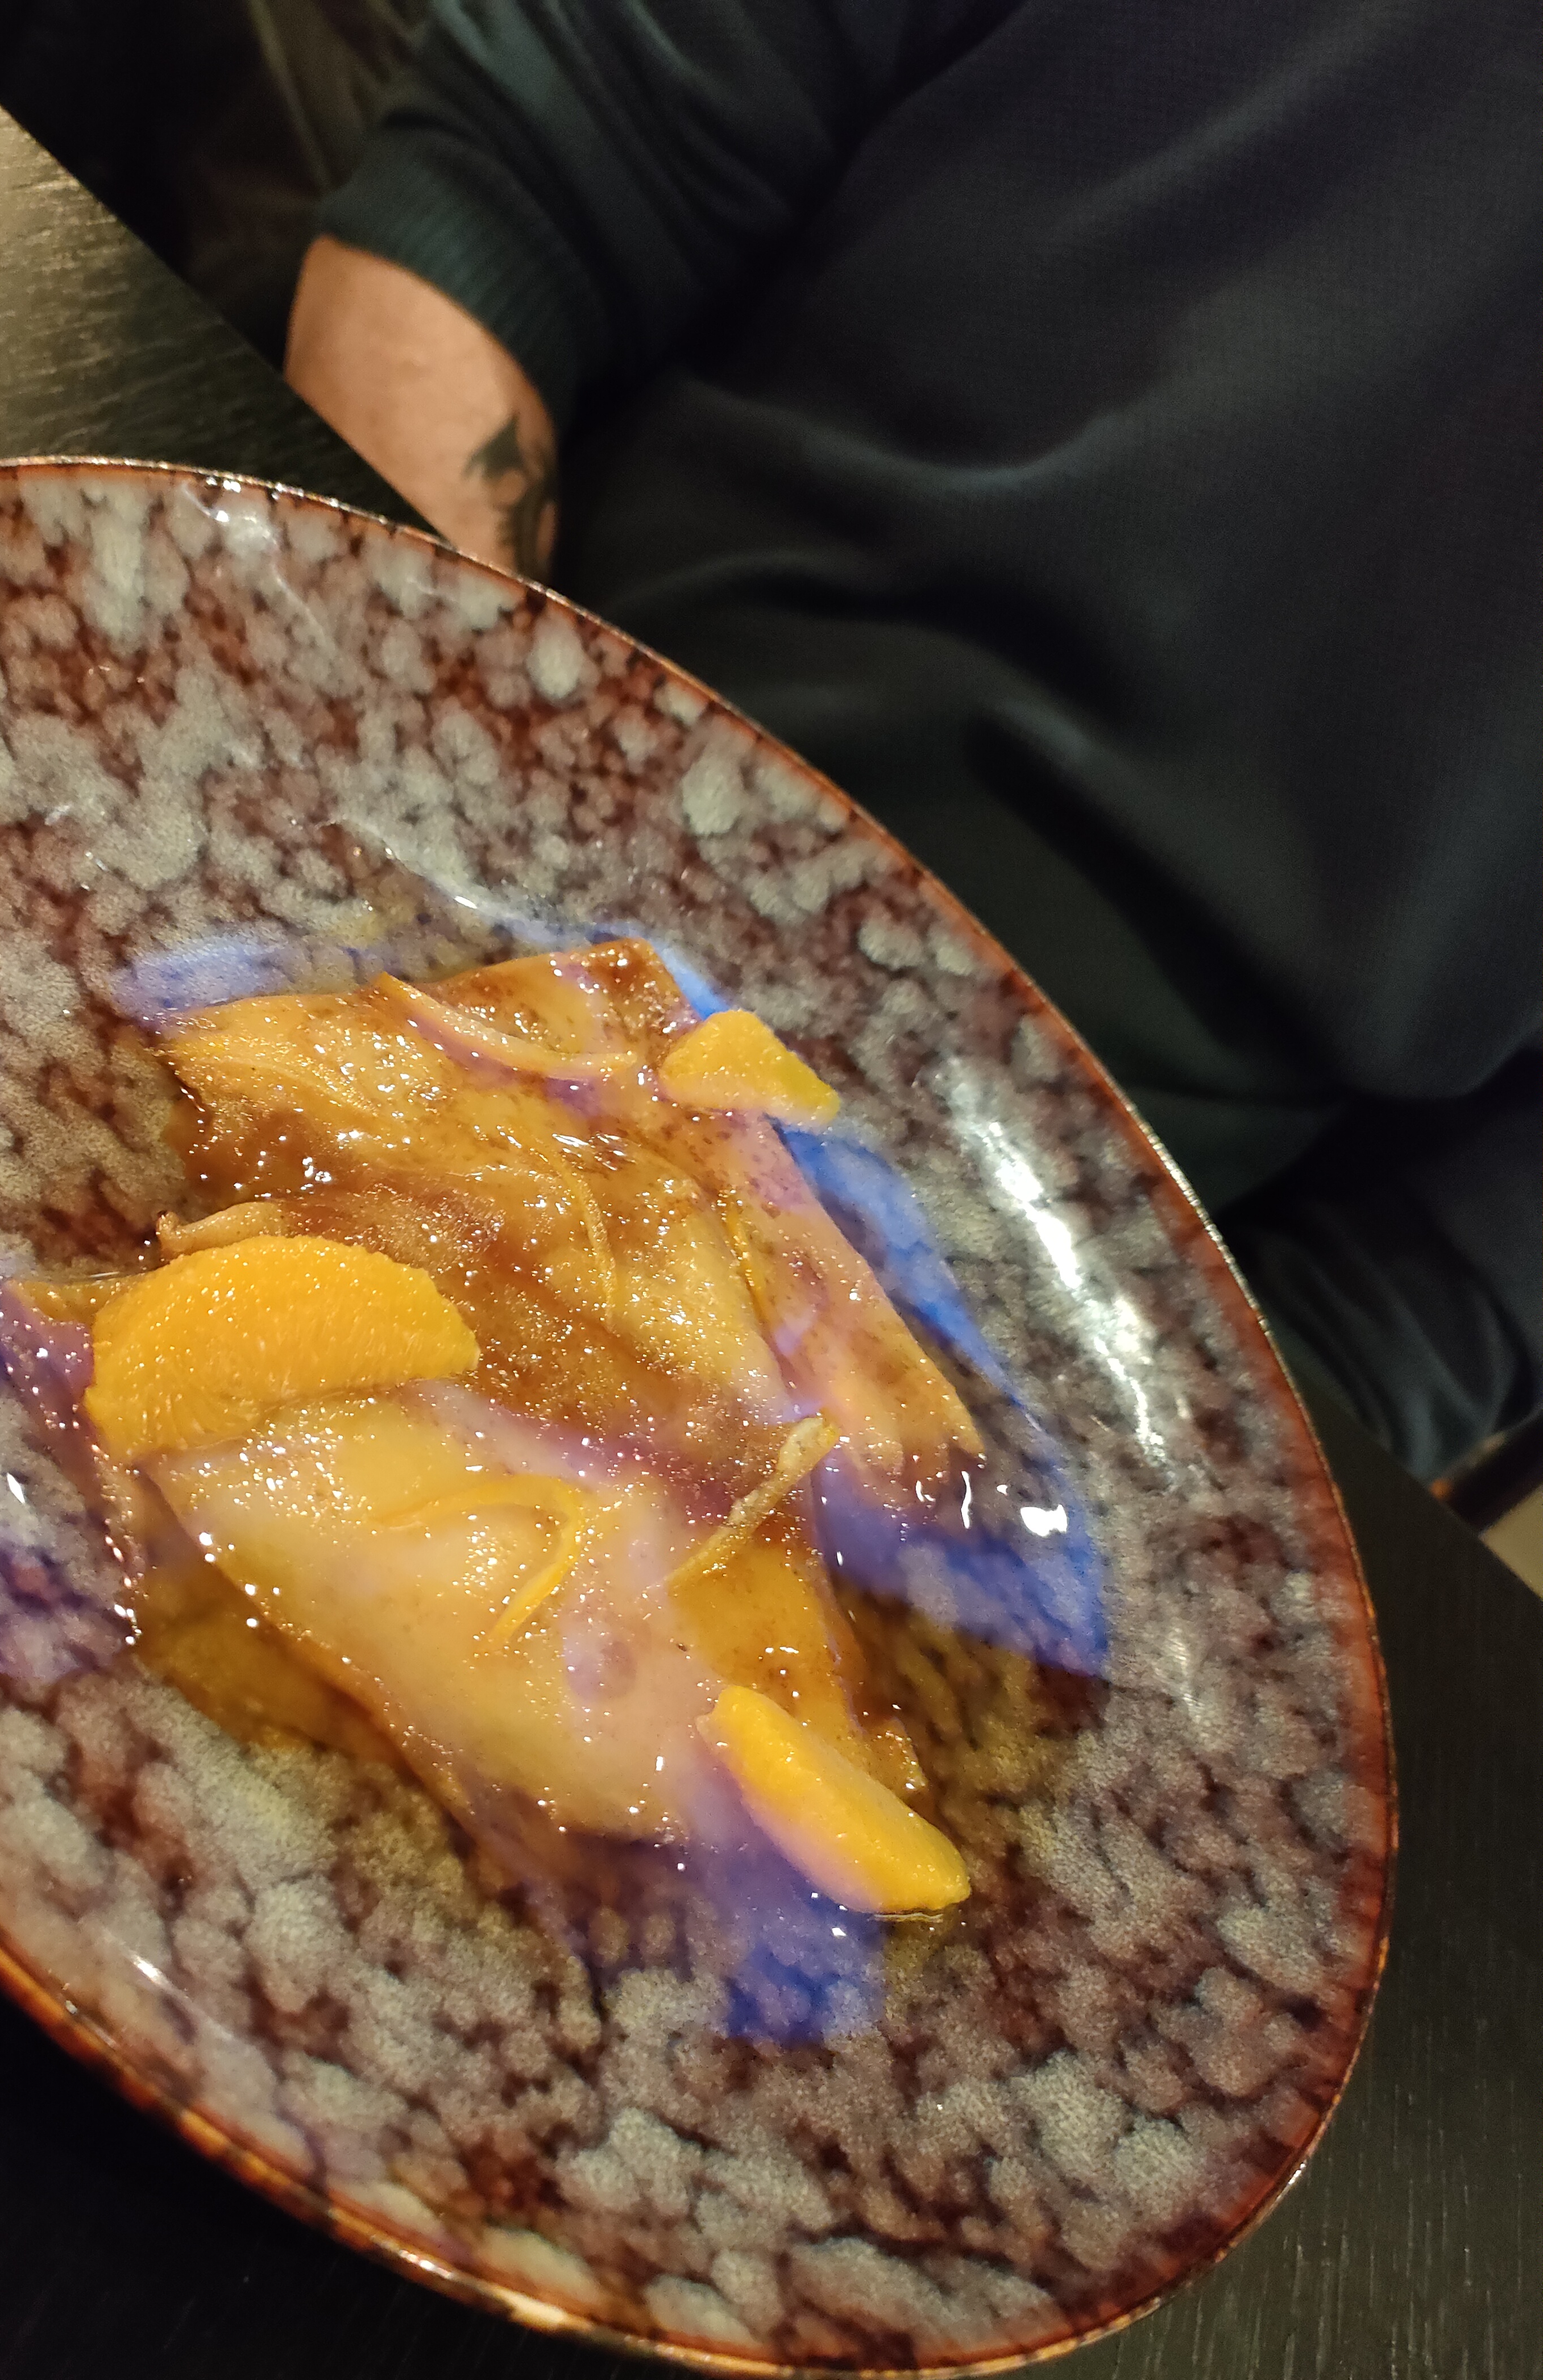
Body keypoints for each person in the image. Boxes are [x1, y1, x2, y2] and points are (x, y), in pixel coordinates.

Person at [282, 0, 1543, 1483]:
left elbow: (1424, 1304)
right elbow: (517, 184)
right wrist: (410, 829)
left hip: (1022, 1345)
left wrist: (1026, 1490)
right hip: (488, 800)